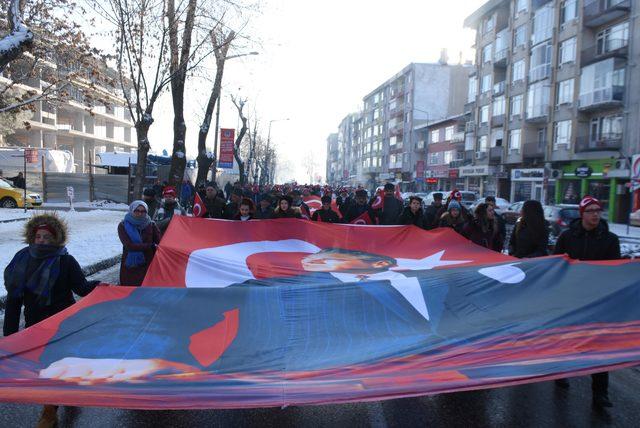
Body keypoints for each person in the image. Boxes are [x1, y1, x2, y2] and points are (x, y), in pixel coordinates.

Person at [3, 213, 98, 428]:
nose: (42, 241)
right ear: (32, 237)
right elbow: (14, 299)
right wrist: (9, 336)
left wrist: (101, 286)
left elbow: (81, 288)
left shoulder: (66, 260)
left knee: (56, 366)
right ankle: (58, 399)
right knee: (43, 367)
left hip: (63, 324)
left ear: (56, 239)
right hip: (35, 324)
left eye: (47, 237)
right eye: (39, 237)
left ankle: (49, 411)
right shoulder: (22, 259)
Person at [553, 196, 620, 409]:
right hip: (571, 299)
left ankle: (600, 393)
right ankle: (561, 371)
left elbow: (615, 269)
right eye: (590, 211)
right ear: (582, 214)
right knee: (567, 339)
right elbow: (556, 265)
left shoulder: (610, 239)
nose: (595, 214)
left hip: (597, 300)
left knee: (599, 347)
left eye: (598, 210)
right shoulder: (567, 237)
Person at [118, 201, 161, 286]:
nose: (140, 213)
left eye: (143, 211)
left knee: (146, 289)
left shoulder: (151, 224)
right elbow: (129, 246)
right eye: (137, 210)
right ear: (131, 210)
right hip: (130, 267)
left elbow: (159, 241)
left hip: (148, 264)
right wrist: (150, 246)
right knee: (129, 291)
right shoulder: (123, 225)